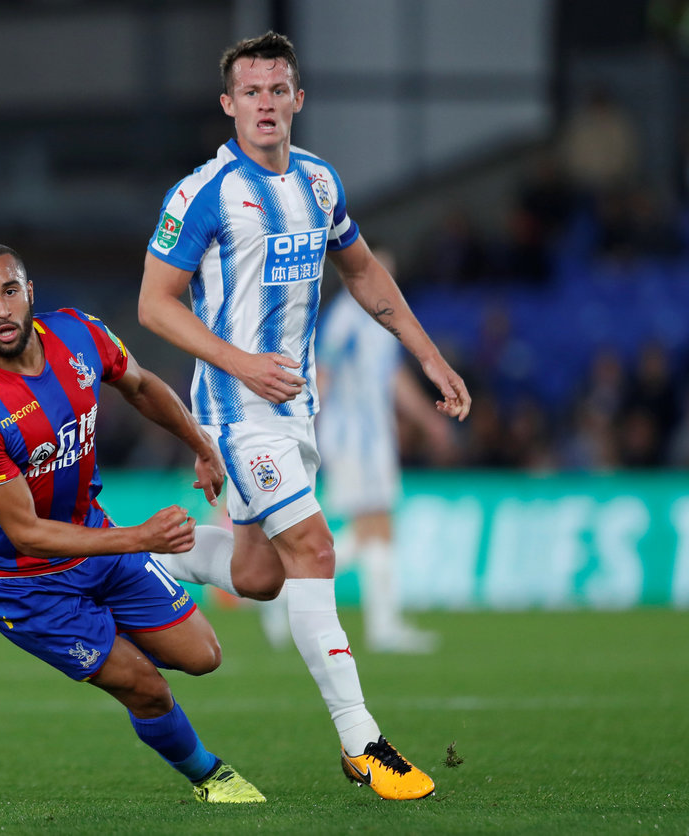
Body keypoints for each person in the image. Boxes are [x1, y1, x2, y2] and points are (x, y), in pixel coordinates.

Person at [137, 32, 471, 801]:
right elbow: (155, 303)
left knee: (259, 576)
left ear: (298, 99)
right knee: (316, 549)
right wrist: (240, 362)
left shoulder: (320, 182)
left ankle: (129, 555)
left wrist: (426, 355)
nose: (265, 103)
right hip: (235, 410)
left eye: (277, 89)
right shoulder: (203, 193)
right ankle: (363, 742)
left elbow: (362, 270)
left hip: (296, 415)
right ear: (229, 104)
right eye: (251, 92)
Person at [0, 243, 264, 804]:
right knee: (146, 688)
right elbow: (27, 534)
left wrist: (200, 444)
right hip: (22, 583)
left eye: (10, 291)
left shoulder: (79, 333)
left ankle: (142, 593)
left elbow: (140, 385)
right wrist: (140, 538)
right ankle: (210, 777)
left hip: (93, 538)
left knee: (203, 656)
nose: (2, 309)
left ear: (29, 292)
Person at [260, 279, 456, 654]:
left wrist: (428, 421)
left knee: (378, 529)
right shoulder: (345, 318)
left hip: (377, 440)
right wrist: (303, 429)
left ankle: (379, 624)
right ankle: (290, 590)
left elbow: (393, 378)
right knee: (373, 528)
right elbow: (323, 374)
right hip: (351, 439)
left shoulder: (382, 322)